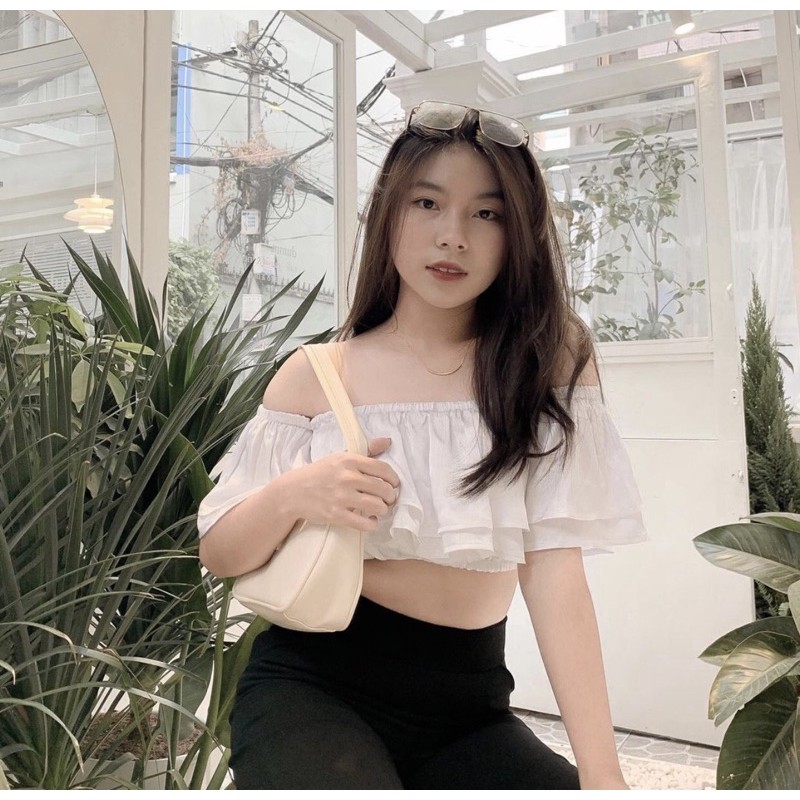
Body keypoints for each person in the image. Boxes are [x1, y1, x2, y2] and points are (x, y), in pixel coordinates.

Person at [196, 100, 648, 790]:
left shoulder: (549, 360)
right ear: (389, 215)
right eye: (427, 203)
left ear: (518, 233)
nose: (453, 236)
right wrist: (297, 494)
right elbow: (220, 553)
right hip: (314, 687)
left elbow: (556, 574)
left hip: (471, 709)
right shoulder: (318, 373)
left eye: (487, 213)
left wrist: (604, 773)